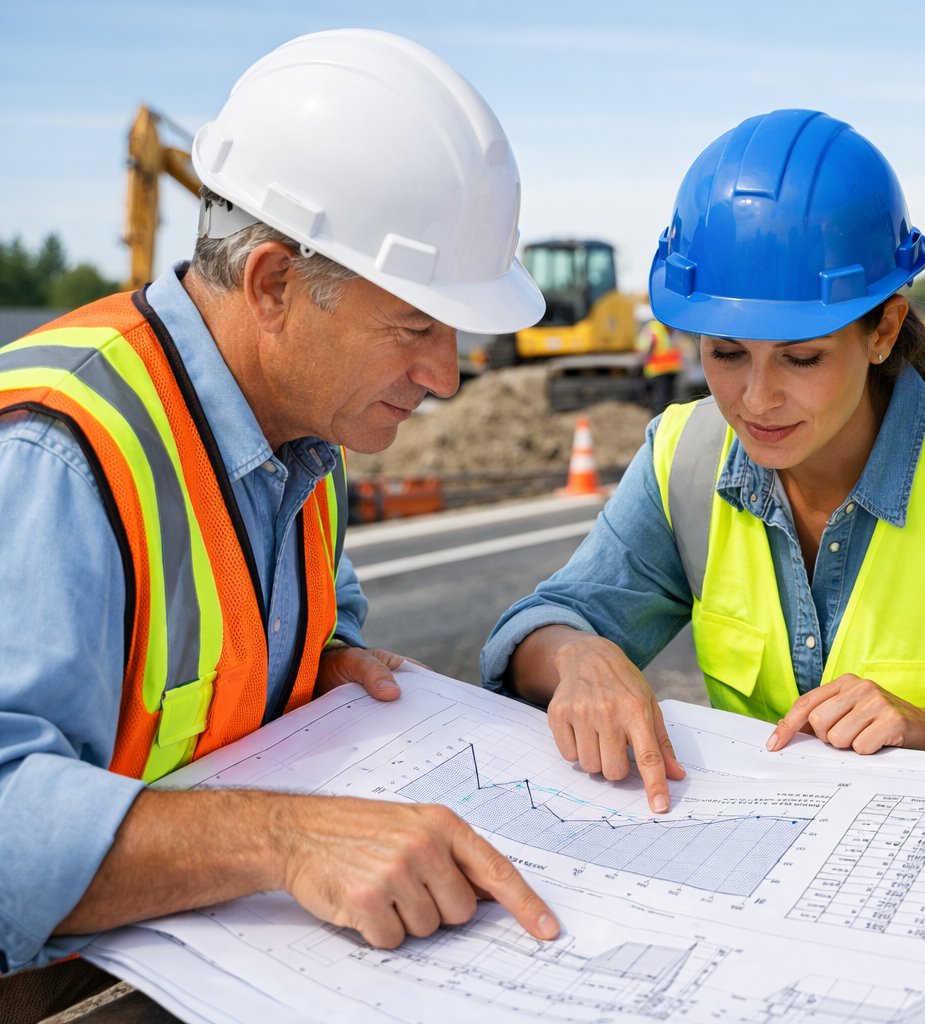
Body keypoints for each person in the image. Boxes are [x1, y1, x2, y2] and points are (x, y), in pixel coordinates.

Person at [0, 29, 559, 1012]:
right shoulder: (53, 450)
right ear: (272, 286)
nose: (446, 377)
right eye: (414, 327)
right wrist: (284, 837)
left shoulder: (309, 425)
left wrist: (326, 658)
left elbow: (241, 637)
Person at [482, 108, 925, 816]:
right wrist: (577, 657)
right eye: (726, 353)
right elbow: (538, 626)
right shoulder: (684, 459)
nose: (756, 399)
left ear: (883, 331)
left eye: (801, 358)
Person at [636, 309, 683, 415]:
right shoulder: (654, 328)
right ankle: (658, 422)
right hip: (658, 371)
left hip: (672, 370)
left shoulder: (674, 329)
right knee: (661, 400)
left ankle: (665, 420)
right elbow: (645, 348)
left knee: (669, 400)